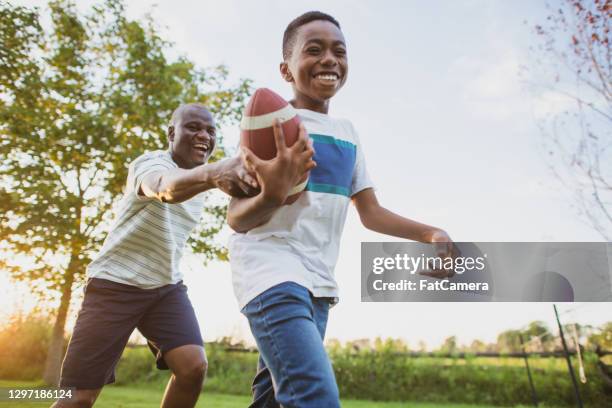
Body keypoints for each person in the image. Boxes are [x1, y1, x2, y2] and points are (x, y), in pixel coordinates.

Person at [227, 12, 457, 408]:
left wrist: (430, 234)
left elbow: (370, 212)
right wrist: (272, 193)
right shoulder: (272, 126)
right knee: (316, 396)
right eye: (313, 50)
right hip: (271, 273)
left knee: (271, 400)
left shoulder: (348, 134)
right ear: (286, 69)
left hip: (319, 283)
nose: (329, 59)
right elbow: (237, 217)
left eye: (339, 51)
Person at [52, 103, 313, 408]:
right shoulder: (149, 165)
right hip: (114, 285)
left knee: (193, 368)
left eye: (210, 131)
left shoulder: (205, 179)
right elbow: (164, 188)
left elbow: (250, 187)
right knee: (78, 398)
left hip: (164, 288)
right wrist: (215, 173)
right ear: (171, 133)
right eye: (193, 128)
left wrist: (283, 169)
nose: (203, 135)